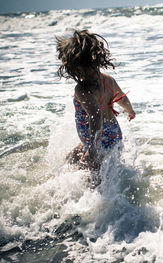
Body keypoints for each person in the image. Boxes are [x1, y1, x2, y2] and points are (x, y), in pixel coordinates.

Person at [56, 30, 136, 169]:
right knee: (73, 157)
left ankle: (90, 189)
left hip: (96, 137)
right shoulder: (109, 80)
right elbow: (122, 98)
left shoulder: (83, 89)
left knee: (89, 172)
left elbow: (96, 115)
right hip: (113, 133)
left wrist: (92, 148)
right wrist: (130, 111)